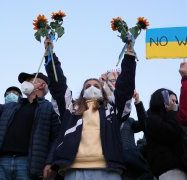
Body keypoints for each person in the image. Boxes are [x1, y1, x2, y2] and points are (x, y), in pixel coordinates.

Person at [44, 37, 136, 179]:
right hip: (73, 169)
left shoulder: (113, 108)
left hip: (108, 169)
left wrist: (129, 54)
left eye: (96, 86)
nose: (92, 87)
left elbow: (125, 87)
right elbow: (58, 84)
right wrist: (50, 55)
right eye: (88, 86)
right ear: (82, 92)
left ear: (103, 91)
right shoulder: (70, 108)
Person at [0, 62, 60, 180]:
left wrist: (50, 163)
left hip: (28, 165)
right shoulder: (10, 107)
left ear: (41, 85)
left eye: (29, 80)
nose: (25, 83)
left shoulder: (48, 109)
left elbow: (57, 138)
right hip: (1, 163)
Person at [145, 88, 187, 180]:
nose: (175, 104)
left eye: (175, 101)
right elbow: (170, 132)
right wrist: (172, 112)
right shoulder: (152, 119)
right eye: (172, 100)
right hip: (169, 169)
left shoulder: (175, 117)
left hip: (184, 168)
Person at [120, 91, 153, 180]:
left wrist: (138, 102)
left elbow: (144, 124)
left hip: (131, 160)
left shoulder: (129, 121)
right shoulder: (108, 118)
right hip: (114, 160)